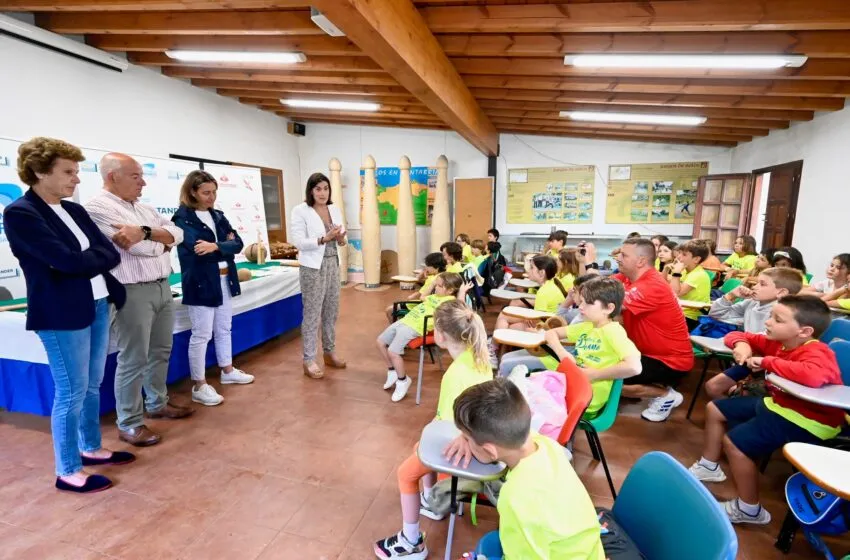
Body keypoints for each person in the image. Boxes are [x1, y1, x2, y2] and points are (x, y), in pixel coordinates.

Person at [5, 137, 133, 493]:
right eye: (68, 172)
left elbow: (110, 253)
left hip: (97, 303)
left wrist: (85, 260)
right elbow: (66, 262)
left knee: (92, 384)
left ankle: (90, 448)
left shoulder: (74, 210)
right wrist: (87, 260)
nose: (76, 180)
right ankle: (67, 469)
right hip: (61, 313)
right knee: (71, 391)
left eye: (77, 172)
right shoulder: (21, 213)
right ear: (39, 172)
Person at [688, 296, 843, 525]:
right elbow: (736, 335)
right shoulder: (778, 341)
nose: (768, 322)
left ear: (804, 331)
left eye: (777, 319)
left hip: (809, 420)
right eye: (771, 316)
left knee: (735, 444)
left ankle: (749, 509)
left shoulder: (818, 351)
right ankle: (709, 466)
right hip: (780, 406)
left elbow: (813, 375)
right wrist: (742, 345)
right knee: (715, 409)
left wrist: (767, 362)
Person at [85, 153, 193, 447]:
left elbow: (179, 234)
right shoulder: (97, 208)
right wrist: (162, 244)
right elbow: (141, 250)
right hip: (130, 290)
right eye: (135, 176)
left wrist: (147, 233)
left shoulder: (144, 209)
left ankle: (157, 402)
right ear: (112, 176)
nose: (143, 182)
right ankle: (130, 422)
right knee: (133, 357)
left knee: (161, 349)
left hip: (161, 286)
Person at [373, 300, 492, 560]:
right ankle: (433, 501)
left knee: (405, 473)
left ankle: (411, 541)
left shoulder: (455, 374)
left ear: (440, 334)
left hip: (463, 445)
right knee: (420, 446)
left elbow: (448, 426)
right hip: (478, 439)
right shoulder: (480, 358)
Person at [445, 378, 605, 560]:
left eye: (466, 438)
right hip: (589, 550)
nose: (464, 440)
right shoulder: (545, 444)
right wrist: (469, 435)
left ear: (490, 451)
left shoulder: (515, 497)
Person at [171, 170, 254, 407]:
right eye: (206, 192)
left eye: (214, 192)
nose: (211, 197)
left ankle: (227, 370)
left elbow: (237, 244)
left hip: (225, 279)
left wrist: (216, 245)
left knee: (224, 328)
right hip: (200, 282)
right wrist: (222, 246)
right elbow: (198, 248)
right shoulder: (182, 219)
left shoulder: (218, 215)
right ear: (192, 192)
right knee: (202, 334)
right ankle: (199, 384)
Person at [613, 238, 694, 422]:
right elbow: (599, 287)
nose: (618, 258)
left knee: (609, 379)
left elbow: (608, 305)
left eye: (624, 255)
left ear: (641, 261)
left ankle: (665, 395)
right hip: (648, 353)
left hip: (670, 361)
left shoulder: (651, 285)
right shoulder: (628, 277)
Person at [544, 277, 642, 416]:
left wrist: (594, 374)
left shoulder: (614, 331)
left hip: (586, 400)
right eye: (582, 301)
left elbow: (634, 367)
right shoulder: (588, 326)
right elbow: (550, 333)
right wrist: (563, 353)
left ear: (609, 308)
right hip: (574, 387)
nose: (581, 307)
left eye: (588, 303)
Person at [705, 268, 803, 400]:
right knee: (714, 387)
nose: (755, 287)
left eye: (762, 284)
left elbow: (766, 339)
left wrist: (744, 344)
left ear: (781, 292)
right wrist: (731, 295)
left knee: (730, 391)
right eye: (756, 283)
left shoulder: (784, 313)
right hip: (750, 359)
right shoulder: (752, 303)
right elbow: (716, 314)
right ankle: (730, 415)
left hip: (771, 365)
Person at [378, 272, 470, 402]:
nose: (436, 287)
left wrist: (462, 292)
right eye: (436, 285)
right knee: (380, 342)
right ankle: (392, 370)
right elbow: (422, 296)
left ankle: (403, 380)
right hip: (406, 321)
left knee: (393, 352)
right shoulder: (434, 296)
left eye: (439, 286)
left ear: (450, 290)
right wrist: (432, 283)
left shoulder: (449, 301)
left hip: (416, 327)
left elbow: (461, 308)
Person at [290, 172, 347, 379]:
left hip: (333, 262)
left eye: (325, 188)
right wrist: (324, 239)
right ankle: (309, 359)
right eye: (318, 189)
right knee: (312, 313)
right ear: (310, 190)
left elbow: (341, 237)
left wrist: (340, 238)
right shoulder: (300, 211)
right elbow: (298, 242)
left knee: (331, 311)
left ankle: (329, 352)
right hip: (312, 267)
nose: (322, 193)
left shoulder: (334, 208)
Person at [493, 255, 566, 332]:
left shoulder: (544, 291)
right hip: (548, 323)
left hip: (546, 327)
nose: (528, 271)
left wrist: (527, 319)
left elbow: (537, 320)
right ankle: (496, 343)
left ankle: (494, 342)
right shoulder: (550, 284)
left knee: (506, 323)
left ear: (541, 273)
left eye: (532, 268)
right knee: (504, 316)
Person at [668, 239, 712, 331]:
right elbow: (666, 286)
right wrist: (666, 270)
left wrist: (676, 274)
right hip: (679, 312)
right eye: (679, 253)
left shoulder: (699, 275)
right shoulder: (685, 271)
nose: (678, 257)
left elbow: (674, 293)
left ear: (696, 259)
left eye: (684, 254)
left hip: (691, 318)